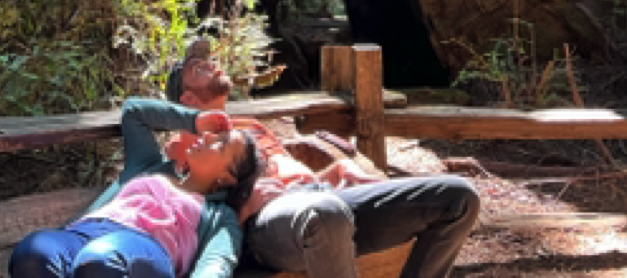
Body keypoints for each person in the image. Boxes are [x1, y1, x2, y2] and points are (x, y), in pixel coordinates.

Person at [165, 39, 480, 278]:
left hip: (324, 196)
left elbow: (291, 171)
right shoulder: (183, 144)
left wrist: (335, 170)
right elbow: (187, 206)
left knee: (460, 198)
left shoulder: (251, 126)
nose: (213, 66)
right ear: (187, 99)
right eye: (199, 69)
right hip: (270, 223)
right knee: (324, 215)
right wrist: (240, 204)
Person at [8, 96, 262, 278]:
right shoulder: (150, 165)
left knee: (100, 261)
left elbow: (217, 262)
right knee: (34, 254)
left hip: (144, 251)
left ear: (228, 178)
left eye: (221, 144)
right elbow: (134, 111)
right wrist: (194, 120)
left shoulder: (219, 216)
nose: (207, 138)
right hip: (85, 232)